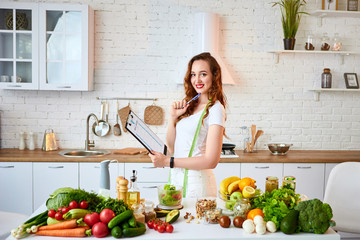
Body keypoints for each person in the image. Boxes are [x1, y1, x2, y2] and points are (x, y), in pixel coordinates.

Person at [148, 52, 227, 198]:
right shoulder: (190, 105)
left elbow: (211, 161)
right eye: (193, 74)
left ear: (214, 76)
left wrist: (168, 161)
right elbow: (172, 148)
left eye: (203, 74)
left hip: (197, 186)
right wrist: (173, 118)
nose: (197, 79)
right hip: (176, 180)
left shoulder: (216, 108)